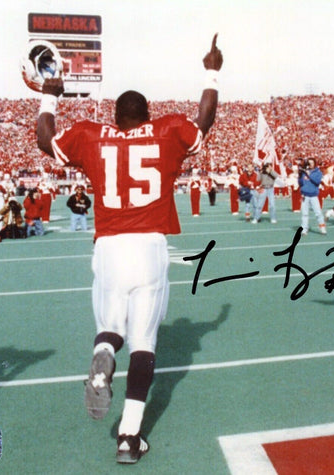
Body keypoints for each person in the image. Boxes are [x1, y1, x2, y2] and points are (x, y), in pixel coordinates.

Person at [36, 34, 222, 465]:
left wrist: (49, 96)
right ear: (147, 116)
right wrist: (212, 69)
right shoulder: (167, 130)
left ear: (116, 118)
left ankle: (103, 355)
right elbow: (205, 119)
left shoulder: (90, 136)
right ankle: (129, 437)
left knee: (110, 330)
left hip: (109, 246)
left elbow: (47, 140)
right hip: (150, 245)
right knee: (144, 345)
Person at [298, 158, 327, 235]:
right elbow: (300, 183)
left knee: (318, 212)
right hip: (305, 195)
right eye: (309, 163)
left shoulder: (318, 172)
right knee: (304, 213)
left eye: (311, 163)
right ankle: (304, 228)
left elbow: (317, 181)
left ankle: (322, 227)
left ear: (314, 163)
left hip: (314, 195)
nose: (310, 164)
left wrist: (309, 174)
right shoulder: (304, 172)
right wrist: (300, 175)